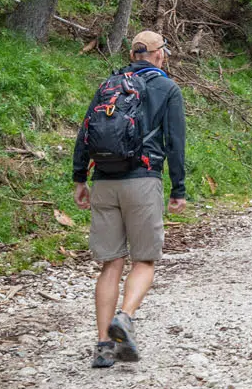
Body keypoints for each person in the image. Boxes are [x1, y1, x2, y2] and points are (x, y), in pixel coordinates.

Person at [72, 30, 187, 369]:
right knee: (145, 260)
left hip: (105, 181)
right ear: (159, 55)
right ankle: (125, 317)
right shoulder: (167, 88)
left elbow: (85, 132)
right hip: (142, 180)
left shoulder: (110, 84)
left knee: (111, 263)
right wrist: (178, 188)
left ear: (133, 54)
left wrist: (80, 178)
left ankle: (104, 347)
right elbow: (175, 142)